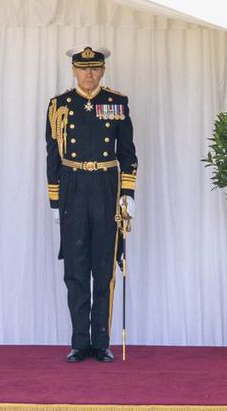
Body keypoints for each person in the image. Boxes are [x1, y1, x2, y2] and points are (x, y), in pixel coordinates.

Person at [46, 46, 137, 364]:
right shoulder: (59, 106)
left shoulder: (117, 103)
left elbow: (127, 153)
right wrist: (55, 200)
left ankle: (101, 342)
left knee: (104, 267)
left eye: (95, 68)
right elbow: (52, 155)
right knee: (75, 268)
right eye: (83, 69)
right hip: (72, 184)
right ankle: (78, 342)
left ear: (103, 71)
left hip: (105, 186)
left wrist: (128, 196)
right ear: (73, 70)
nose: (89, 74)